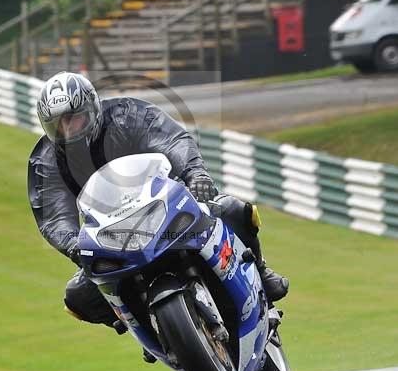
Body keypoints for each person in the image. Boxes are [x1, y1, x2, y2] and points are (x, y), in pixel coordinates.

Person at [28, 72, 288, 341]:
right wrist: (73, 245)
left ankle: (261, 270)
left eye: (75, 119)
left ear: (92, 108)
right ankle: (141, 322)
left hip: (166, 203)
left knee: (233, 210)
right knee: (77, 297)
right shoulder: (46, 161)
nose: (69, 130)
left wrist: (195, 174)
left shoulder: (128, 115)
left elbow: (171, 140)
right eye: (59, 125)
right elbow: (54, 216)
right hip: (111, 235)